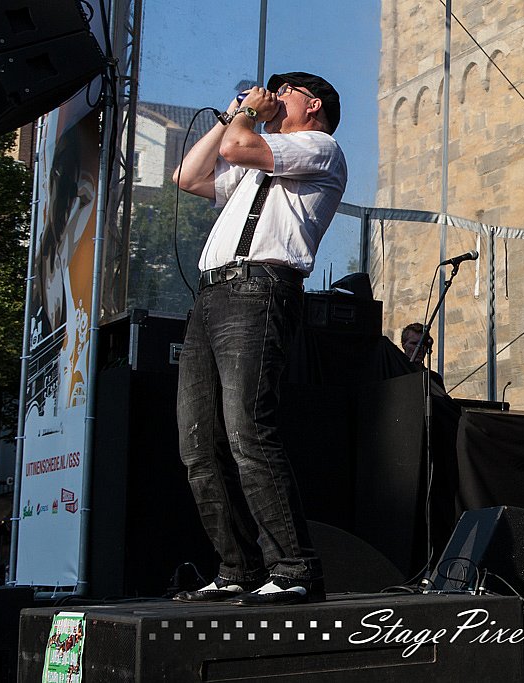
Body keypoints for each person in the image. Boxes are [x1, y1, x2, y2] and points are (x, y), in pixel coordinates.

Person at [171, 71, 347, 605]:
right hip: (212, 294)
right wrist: (232, 113)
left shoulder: (319, 146)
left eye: (285, 90)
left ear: (312, 105)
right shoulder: (254, 157)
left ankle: (293, 568)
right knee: (199, 445)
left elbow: (236, 147)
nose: (273, 96)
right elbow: (187, 176)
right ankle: (238, 568)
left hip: (258, 289)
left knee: (247, 430)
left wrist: (247, 115)